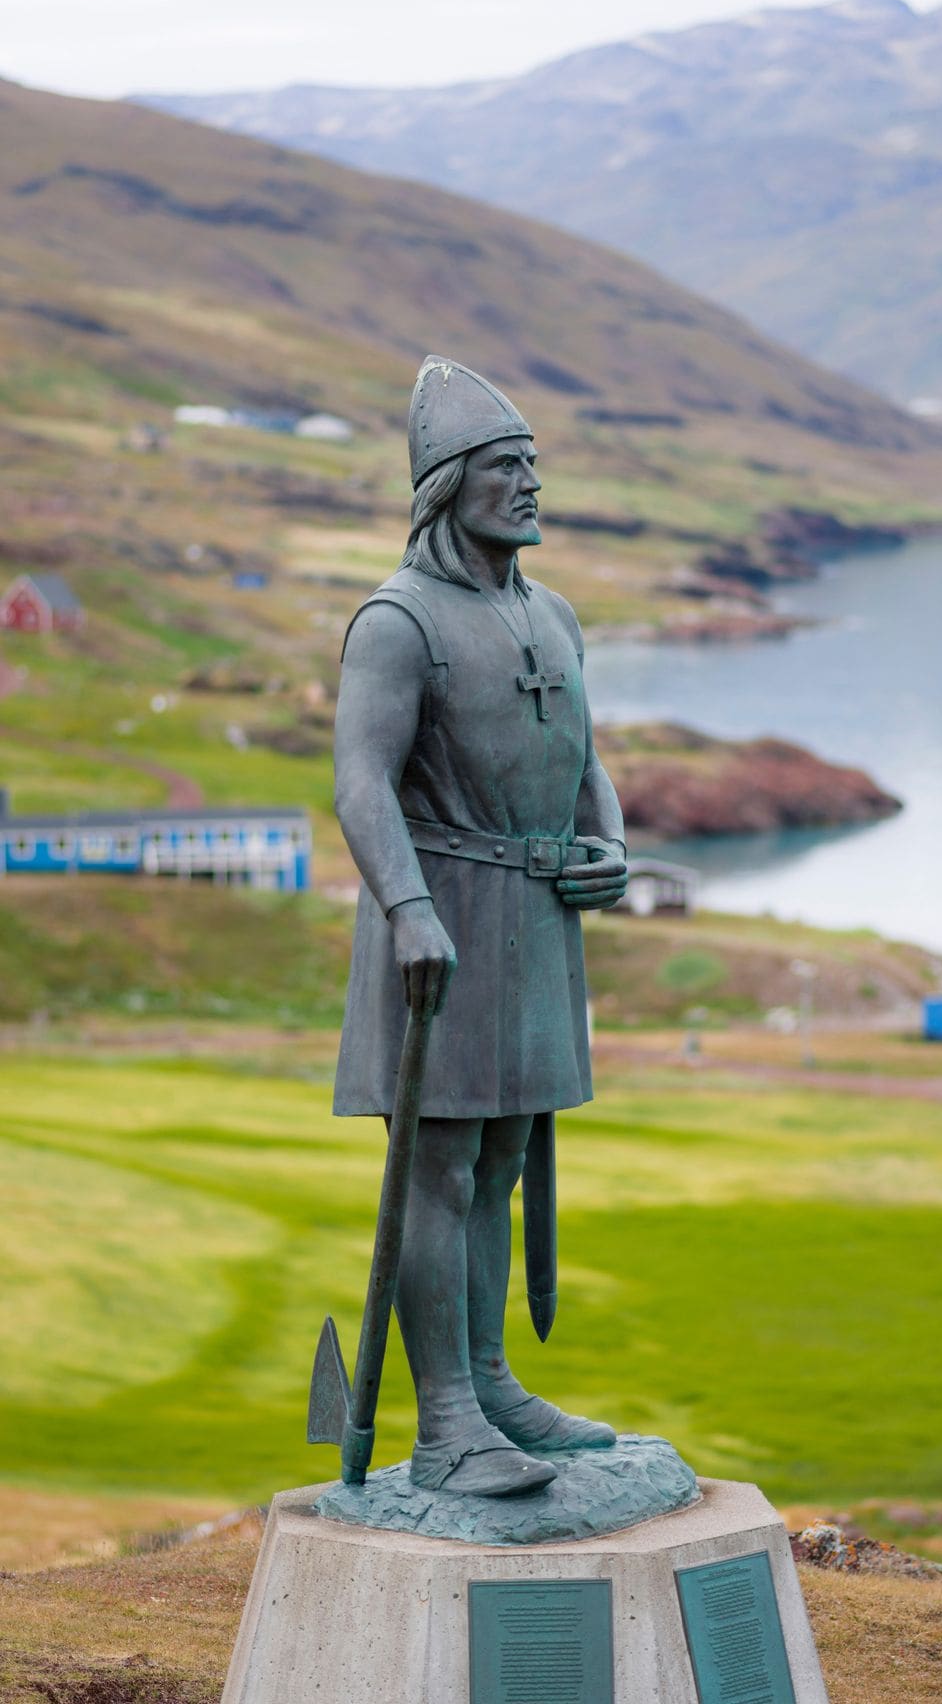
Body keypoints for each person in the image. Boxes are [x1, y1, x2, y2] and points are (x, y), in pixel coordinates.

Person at [333, 355, 628, 1497]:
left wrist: (606, 839)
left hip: (539, 919)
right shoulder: (396, 622)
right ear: (447, 483)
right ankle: (445, 1420)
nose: (529, 485)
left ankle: (493, 1382)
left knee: (506, 1154)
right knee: (441, 1164)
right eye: (507, 466)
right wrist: (407, 906)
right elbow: (361, 780)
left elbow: (585, 760)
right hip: (444, 918)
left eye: (534, 466)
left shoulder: (551, 615)